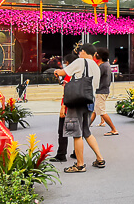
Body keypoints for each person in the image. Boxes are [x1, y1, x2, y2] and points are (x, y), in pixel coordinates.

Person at [54, 43, 106, 172]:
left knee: (77, 134)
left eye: (80, 52)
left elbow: (63, 72)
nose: (78, 53)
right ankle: (100, 159)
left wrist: (56, 72)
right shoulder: (96, 66)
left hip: (77, 101)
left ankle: (80, 164)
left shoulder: (80, 61)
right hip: (89, 101)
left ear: (83, 52)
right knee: (86, 132)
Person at [50, 53, 78, 163]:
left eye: (65, 63)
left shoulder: (69, 75)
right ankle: (77, 152)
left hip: (68, 105)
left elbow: (67, 92)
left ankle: (61, 154)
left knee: (62, 130)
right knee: (77, 130)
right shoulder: (80, 74)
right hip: (78, 105)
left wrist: (63, 106)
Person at [91, 47, 119, 136]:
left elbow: (95, 77)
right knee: (95, 111)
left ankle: (113, 129)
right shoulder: (106, 64)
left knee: (101, 112)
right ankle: (85, 128)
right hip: (103, 90)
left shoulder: (102, 66)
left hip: (101, 91)